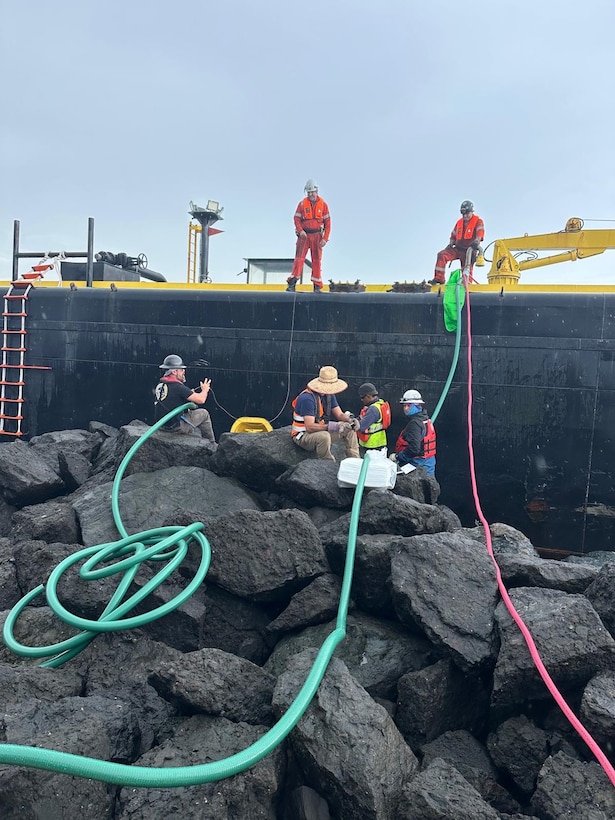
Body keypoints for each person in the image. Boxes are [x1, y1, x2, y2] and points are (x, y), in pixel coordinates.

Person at [291, 366, 360, 461]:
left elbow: (339, 415)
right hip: (303, 435)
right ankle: (327, 462)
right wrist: (332, 426)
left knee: (350, 429)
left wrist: (351, 420)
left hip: (318, 431)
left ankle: (355, 461)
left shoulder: (329, 395)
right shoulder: (307, 399)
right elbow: (309, 427)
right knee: (324, 436)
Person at [153, 354, 216, 442]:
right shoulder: (178, 387)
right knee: (204, 413)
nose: (184, 372)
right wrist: (205, 390)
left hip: (161, 426)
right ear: (174, 372)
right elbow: (201, 400)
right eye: (181, 370)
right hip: (175, 428)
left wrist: (189, 394)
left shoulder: (160, 385)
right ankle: (211, 444)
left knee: (188, 412)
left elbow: (172, 399)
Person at [286, 179, 331, 293]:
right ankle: (292, 283)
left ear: (317, 191)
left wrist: (325, 238)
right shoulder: (302, 204)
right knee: (299, 260)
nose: (311, 194)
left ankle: (317, 285)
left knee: (316, 261)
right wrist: (300, 231)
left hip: (317, 236)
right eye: (309, 192)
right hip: (304, 236)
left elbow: (328, 223)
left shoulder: (324, 205)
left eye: (312, 192)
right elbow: (296, 219)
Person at [429, 200, 485, 286]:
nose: (465, 216)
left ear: (471, 212)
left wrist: (476, 242)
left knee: (466, 269)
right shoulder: (459, 222)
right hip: (458, 249)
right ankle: (439, 278)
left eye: (467, 213)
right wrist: (451, 244)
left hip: (469, 251)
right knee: (442, 255)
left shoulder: (478, 221)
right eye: (463, 214)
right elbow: (454, 235)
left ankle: (466, 285)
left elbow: (480, 232)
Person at [393, 389, 436, 475]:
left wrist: (398, 456)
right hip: (429, 462)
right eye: (404, 406)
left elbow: (414, 449)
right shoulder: (425, 419)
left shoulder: (415, 424)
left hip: (417, 464)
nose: (405, 409)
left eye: (409, 406)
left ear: (417, 405)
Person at [356, 383, 389, 455]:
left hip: (372, 447)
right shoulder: (380, 403)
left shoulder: (373, 410)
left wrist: (351, 420)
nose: (361, 400)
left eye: (362, 397)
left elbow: (361, 427)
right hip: (379, 444)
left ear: (368, 396)